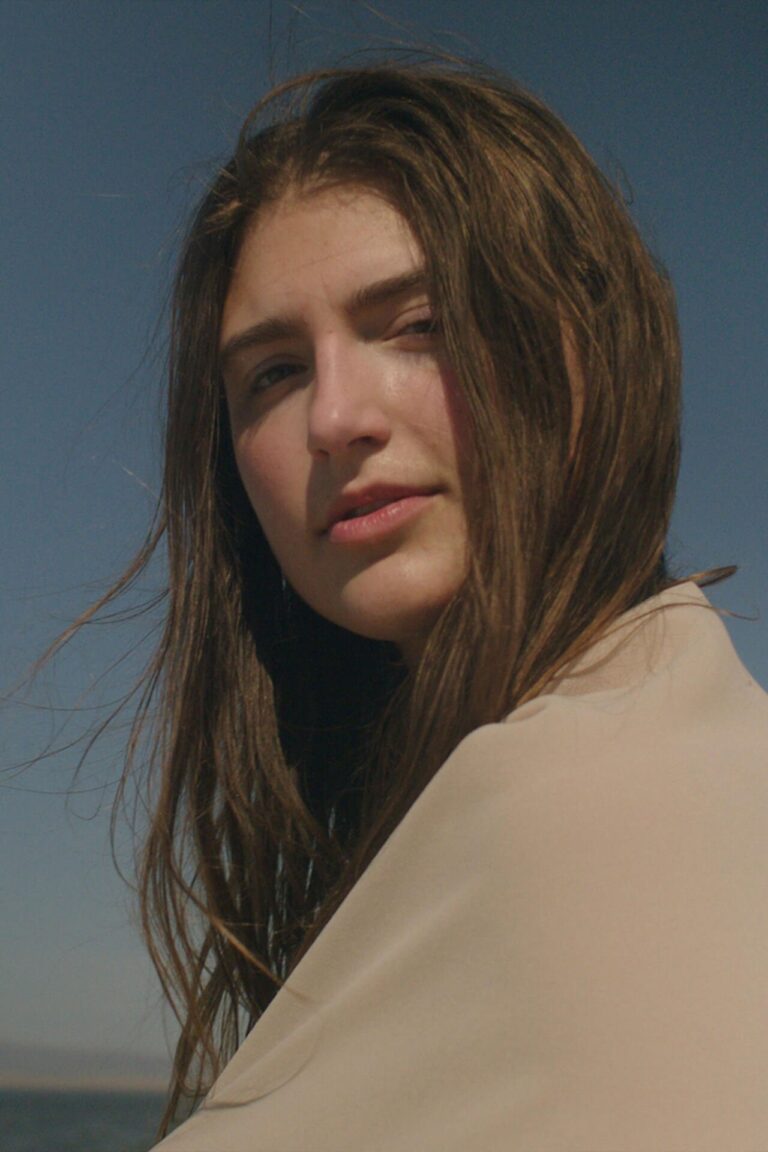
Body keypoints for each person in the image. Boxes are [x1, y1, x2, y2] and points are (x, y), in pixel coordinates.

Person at [65, 61, 768, 1148]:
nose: (332, 418)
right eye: (273, 374)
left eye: (418, 323)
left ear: (590, 353)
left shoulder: (582, 822)